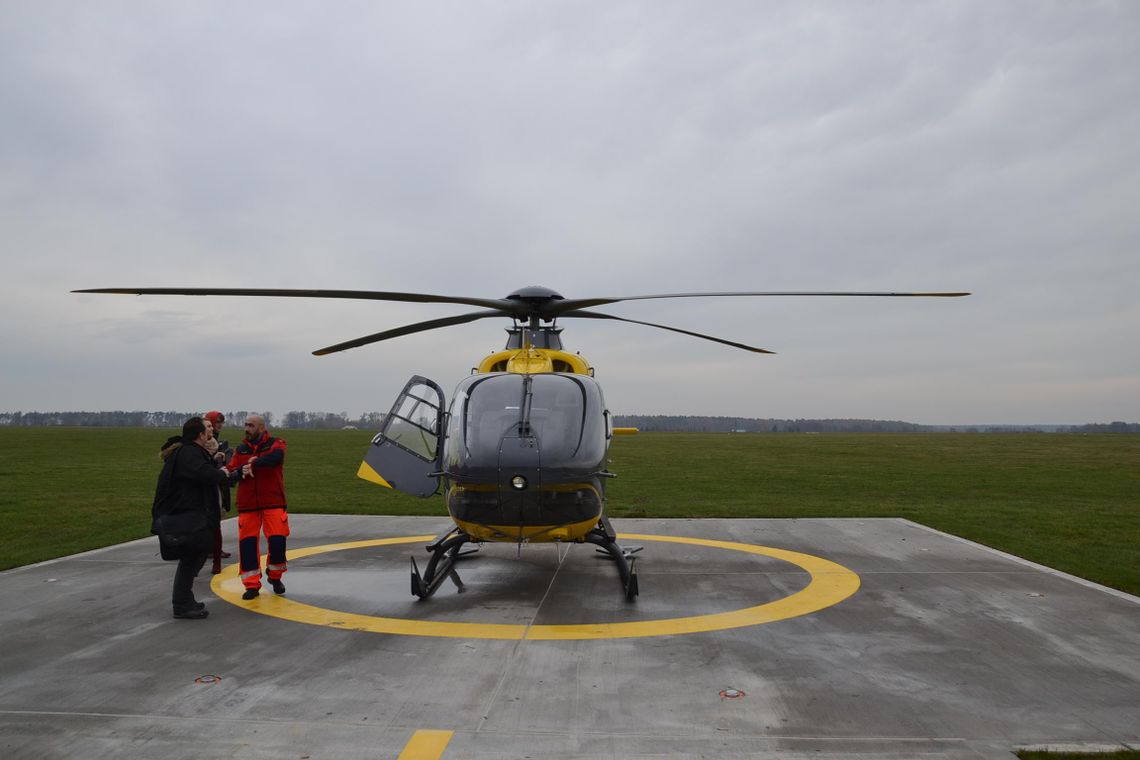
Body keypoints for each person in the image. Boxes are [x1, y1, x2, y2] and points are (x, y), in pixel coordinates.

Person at [153, 416, 245, 619]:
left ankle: (184, 600)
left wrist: (231, 473)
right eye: (207, 430)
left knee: (197, 553)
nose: (210, 433)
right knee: (192, 556)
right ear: (199, 434)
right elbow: (204, 474)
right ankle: (182, 604)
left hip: (191, 513)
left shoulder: (189, 452)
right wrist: (223, 473)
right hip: (187, 515)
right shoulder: (188, 453)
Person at [227, 413, 289, 600]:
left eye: (251, 425)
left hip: (273, 502)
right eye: (246, 425)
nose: (247, 429)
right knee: (247, 546)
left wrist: (253, 464)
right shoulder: (240, 450)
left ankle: (275, 575)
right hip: (248, 505)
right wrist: (240, 471)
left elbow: (276, 458)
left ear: (262, 428)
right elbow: (230, 473)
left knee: (278, 541)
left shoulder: (276, 443)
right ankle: (251, 584)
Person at [203, 410, 233, 573]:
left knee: (216, 516)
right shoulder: (209, 442)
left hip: (217, 479)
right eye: (216, 423)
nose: (219, 425)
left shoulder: (214, 440)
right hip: (212, 482)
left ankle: (213, 549)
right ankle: (212, 550)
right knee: (213, 517)